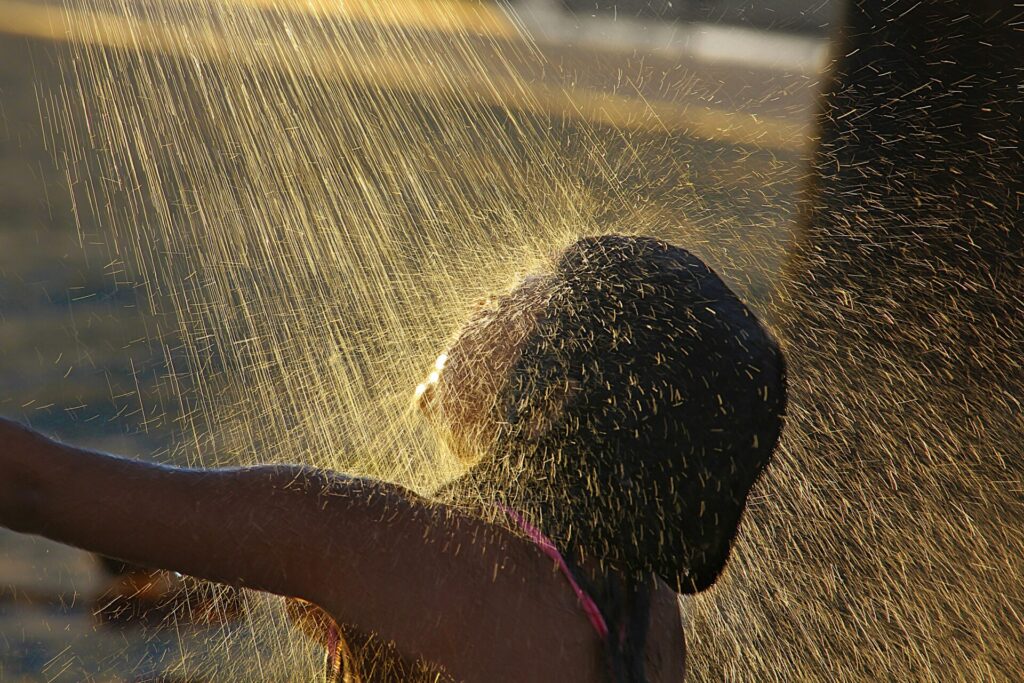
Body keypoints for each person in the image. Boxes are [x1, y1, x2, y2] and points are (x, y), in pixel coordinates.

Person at [0, 234, 786, 682]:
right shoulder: (639, 602)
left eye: (527, 296)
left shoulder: (386, 544)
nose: (488, 301)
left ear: (551, 394)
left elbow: (33, 486)